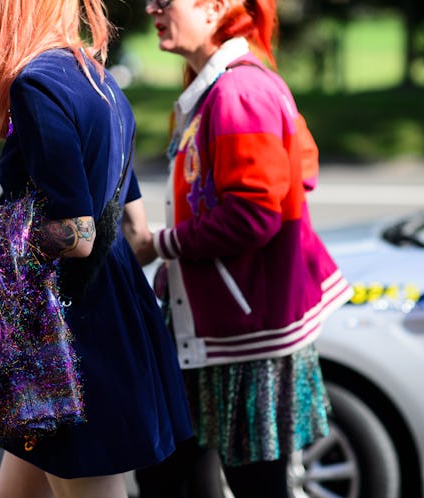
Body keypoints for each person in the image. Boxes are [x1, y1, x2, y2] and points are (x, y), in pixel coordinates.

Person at [0, 0, 193, 497]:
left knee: (87, 485)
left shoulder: (35, 84)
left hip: (68, 335)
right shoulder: (97, 78)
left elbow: (78, 235)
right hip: (105, 311)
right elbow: (134, 223)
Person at [134, 0, 354, 496]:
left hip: (243, 336)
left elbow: (256, 213)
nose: (152, 8)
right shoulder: (226, 83)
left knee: (236, 484)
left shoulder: (238, 88)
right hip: (222, 330)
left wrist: (161, 245)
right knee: (173, 473)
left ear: (214, 7)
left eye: (165, 0)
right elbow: (303, 165)